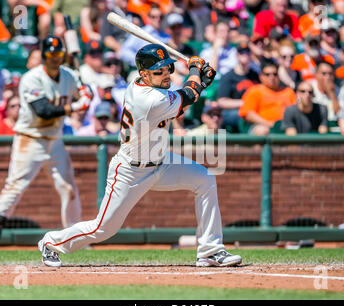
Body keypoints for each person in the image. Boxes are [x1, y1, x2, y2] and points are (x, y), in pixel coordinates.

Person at [37, 43, 243, 268]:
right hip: (130, 171)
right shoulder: (148, 99)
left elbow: (184, 98)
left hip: (161, 162)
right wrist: (196, 73)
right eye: (159, 71)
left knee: (205, 179)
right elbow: (188, 96)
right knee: (103, 228)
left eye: (168, 69)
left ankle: (210, 251)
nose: (165, 75)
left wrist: (200, 80)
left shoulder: (150, 88)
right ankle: (50, 242)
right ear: (144, 74)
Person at [0, 36, 93, 234]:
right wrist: (76, 105)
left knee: (69, 188)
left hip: (55, 140)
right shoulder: (32, 78)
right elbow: (44, 110)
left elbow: (83, 91)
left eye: (58, 54)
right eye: (51, 55)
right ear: (43, 55)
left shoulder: (68, 75)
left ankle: (73, 235)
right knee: (15, 188)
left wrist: (87, 92)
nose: (54, 59)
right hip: (30, 138)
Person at [239, 59, 297, 135]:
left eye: (275, 74)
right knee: (262, 130)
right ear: (261, 77)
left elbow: (296, 112)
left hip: (285, 126)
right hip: (261, 126)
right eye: (267, 74)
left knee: (292, 131)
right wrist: (270, 124)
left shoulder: (288, 91)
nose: (272, 77)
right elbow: (248, 114)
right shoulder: (255, 91)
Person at [217, 41, 260, 132]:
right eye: (242, 53)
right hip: (235, 111)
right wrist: (245, 103)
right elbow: (222, 102)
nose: (245, 55)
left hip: (254, 110)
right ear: (237, 55)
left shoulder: (255, 75)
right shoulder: (228, 76)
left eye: (248, 52)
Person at [311, 61, 344, 132]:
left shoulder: (340, 91)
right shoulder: (308, 90)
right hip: (315, 129)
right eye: (324, 74)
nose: (327, 77)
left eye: (330, 74)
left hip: (335, 129)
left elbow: (341, 115)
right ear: (316, 75)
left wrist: (332, 94)